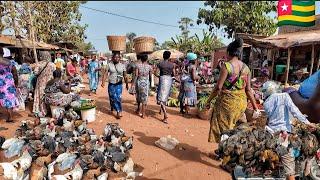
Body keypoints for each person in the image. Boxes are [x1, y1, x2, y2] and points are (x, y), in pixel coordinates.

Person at [205, 38, 259, 143]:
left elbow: (218, 87)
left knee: (224, 130)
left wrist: (209, 100)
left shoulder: (227, 66)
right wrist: (256, 108)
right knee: (237, 128)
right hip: (241, 103)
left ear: (229, 52)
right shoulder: (246, 68)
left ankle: (223, 153)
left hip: (227, 104)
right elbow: (248, 90)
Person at [261, 81, 316, 180]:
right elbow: (295, 111)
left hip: (271, 132)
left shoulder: (266, 102)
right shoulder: (284, 96)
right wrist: (307, 123)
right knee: (289, 167)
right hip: (283, 134)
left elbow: (268, 118)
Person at [101, 51, 128, 119]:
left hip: (119, 84)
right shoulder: (109, 65)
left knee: (118, 97)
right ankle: (112, 107)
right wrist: (103, 82)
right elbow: (105, 73)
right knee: (112, 97)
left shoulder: (122, 65)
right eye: (115, 57)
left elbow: (125, 75)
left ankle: (119, 111)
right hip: (111, 84)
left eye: (118, 57)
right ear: (112, 58)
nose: (116, 58)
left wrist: (127, 84)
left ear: (120, 58)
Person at [33, 51, 56, 118]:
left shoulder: (39, 64)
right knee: (48, 95)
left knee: (40, 95)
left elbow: (35, 73)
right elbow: (55, 72)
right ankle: (49, 109)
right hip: (50, 82)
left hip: (41, 82)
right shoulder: (52, 64)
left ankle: (41, 110)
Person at [156, 51, 175, 124]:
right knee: (165, 96)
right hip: (169, 79)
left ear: (163, 56)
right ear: (169, 56)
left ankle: (165, 115)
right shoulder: (172, 64)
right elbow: (174, 74)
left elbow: (156, 72)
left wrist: (159, 76)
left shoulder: (160, 63)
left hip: (163, 79)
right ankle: (161, 111)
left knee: (161, 97)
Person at [0, 47, 18, 122]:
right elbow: (15, 73)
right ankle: (10, 117)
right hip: (9, 83)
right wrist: (16, 83)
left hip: (1, 83)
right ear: (3, 53)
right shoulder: (10, 63)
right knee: (9, 98)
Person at [132, 53, 153, 118]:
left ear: (141, 59)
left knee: (138, 95)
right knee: (144, 97)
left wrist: (133, 83)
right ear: (147, 59)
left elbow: (136, 75)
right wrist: (150, 83)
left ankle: (138, 109)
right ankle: (143, 114)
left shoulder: (137, 66)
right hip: (146, 83)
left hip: (139, 82)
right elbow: (150, 76)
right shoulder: (150, 67)